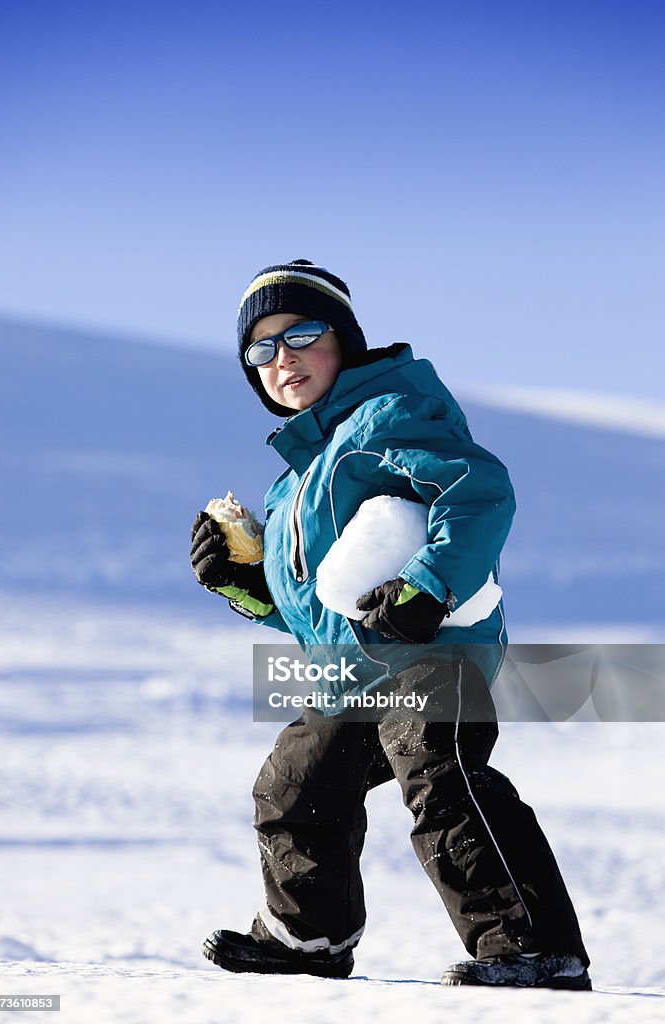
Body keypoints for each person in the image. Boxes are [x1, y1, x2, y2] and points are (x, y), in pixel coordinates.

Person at [190, 259, 591, 989]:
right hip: (349, 669)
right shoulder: (291, 485)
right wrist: (245, 587)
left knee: (441, 776)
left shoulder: (388, 416)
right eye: (261, 348)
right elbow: (321, 614)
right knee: (293, 785)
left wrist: (426, 587)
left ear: (343, 341)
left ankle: (532, 951)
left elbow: (477, 493)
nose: (282, 358)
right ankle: (307, 938)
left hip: (433, 651)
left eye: (302, 334)